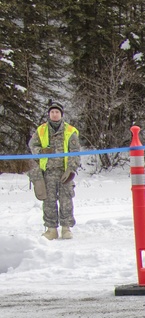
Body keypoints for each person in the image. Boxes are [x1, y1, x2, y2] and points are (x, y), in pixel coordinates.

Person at [28, 101, 81, 240]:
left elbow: (75, 152)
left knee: (66, 200)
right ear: (49, 114)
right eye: (52, 112)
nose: (54, 114)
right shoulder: (41, 130)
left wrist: (71, 169)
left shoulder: (70, 131)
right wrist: (41, 151)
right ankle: (51, 229)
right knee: (49, 201)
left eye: (57, 112)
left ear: (61, 114)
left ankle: (66, 228)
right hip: (48, 172)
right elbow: (32, 146)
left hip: (65, 172)